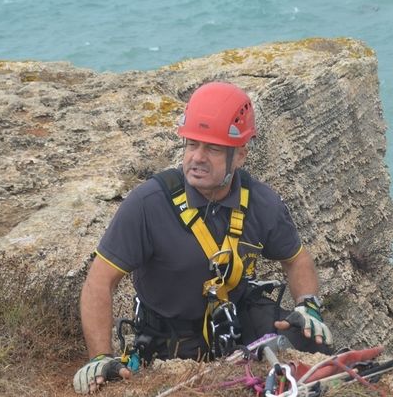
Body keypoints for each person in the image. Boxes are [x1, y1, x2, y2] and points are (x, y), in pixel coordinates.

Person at [73, 82, 332, 394]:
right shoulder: (149, 204)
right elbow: (99, 281)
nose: (197, 157)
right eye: (192, 144)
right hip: (169, 339)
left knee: (310, 340)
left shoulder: (261, 203)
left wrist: (308, 304)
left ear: (240, 156)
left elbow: (296, 259)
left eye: (213, 149)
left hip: (236, 322)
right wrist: (100, 357)